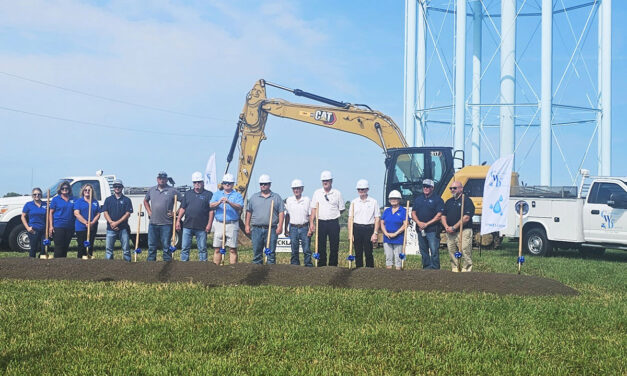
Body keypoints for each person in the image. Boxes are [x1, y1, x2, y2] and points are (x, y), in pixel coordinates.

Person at [245, 174, 284, 264]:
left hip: (271, 229)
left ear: (269, 185)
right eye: (261, 184)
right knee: (257, 253)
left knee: (271, 254)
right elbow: (249, 212)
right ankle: (257, 273)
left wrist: (280, 226)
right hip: (256, 229)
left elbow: (281, 212)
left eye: (265, 184)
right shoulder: (254, 197)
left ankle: (271, 274)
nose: (263, 186)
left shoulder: (276, 197)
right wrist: (247, 225)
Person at [310, 170, 345, 266]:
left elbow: (341, 209)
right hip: (321, 222)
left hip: (333, 222)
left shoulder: (337, 193)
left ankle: (333, 265)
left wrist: (333, 213)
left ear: (331, 181)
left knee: (334, 245)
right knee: (321, 245)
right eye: (323, 181)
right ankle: (322, 265)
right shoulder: (317, 193)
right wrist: (312, 223)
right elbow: (313, 209)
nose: (325, 182)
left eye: (327, 180)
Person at [177, 171, 213, 262]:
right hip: (187, 226)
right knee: (185, 248)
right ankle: (184, 265)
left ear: (202, 182)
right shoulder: (188, 194)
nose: (197, 184)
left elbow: (211, 211)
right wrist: (178, 220)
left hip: (201, 227)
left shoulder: (208, 194)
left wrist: (209, 224)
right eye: (195, 182)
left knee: (202, 249)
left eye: (199, 182)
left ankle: (203, 266)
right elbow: (182, 208)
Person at [209, 173, 244, 265]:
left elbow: (239, 207)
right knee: (217, 248)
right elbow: (211, 205)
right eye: (225, 183)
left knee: (232, 249)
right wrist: (219, 202)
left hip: (232, 223)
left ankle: (232, 269)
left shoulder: (237, 195)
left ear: (232, 184)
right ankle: (216, 268)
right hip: (219, 223)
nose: (227, 184)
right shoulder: (217, 194)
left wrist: (229, 202)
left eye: (229, 183)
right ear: (222, 184)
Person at [441, 180, 475, 272]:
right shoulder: (448, 202)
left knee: (464, 249)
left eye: (455, 188)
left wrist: (454, 227)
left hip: (463, 230)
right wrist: (446, 227)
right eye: (451, 188)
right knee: (452, 250)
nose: (452, 190)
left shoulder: (467, 201)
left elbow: (466, 217)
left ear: (461, 189)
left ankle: (466, 268)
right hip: (450, 231)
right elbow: (443, 215)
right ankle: (455, 267)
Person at [411, 178, 445, 269]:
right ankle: (426, 268)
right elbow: (413, 213)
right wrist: (419, 222)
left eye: (428, 187)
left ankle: (435, 268)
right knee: (423, 250)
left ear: (432, 188)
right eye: (424, 186)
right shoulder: (418, 199)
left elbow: (439, 215)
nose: (425, 188)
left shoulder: (438, 199)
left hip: (432, 230)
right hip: (420, 229)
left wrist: (427, 224)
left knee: (434, 250)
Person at [144, 171, 177, 261]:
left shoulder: (172, 190)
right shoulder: (152, 190)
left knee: (166, 245)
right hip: (153, 223)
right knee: (151, 245)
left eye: (164, 178)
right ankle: (151, 264)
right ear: (157, 179)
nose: (162, 180)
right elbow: (145, 201)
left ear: (166, 180)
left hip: (166, 223)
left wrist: (176, 213)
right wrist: (149, 211)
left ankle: (167, 263)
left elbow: (183, 202)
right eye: (160, 178)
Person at [348, 179, 380, 268]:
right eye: (359, 189)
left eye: (362, 189)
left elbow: (377, 218)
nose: (361, 191)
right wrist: (350, 234)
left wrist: (375, 233)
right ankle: (358, 271)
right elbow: (350, 219)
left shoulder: (373, 202)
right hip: (357, 228)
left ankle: (369, 272)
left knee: (368, 252)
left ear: (367, 189)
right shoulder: (354, 202)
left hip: (368, 228)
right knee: (358, 252)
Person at [102, 179, 133, 261]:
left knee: (126, 250)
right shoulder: (108, 200)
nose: (117, 188)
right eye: (115, 186)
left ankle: (128, 266)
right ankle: (109, 266)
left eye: (119, 186)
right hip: (110, 228)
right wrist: (111, 223)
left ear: (122, 187)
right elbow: (105, 212)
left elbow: (127, 214)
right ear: (113, 187)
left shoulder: (127, 200)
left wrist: (117, 223)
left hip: (123, 228)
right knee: (109, 251)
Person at [284, 179, 312, 266]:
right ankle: (295, 267)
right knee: (294, 250)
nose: (296, 190)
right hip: (293, 228)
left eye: (298, 188)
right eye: (294, 189)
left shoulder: (307, 200)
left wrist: (311, 228)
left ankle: (308, 266)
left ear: (302, 189)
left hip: (304, 227)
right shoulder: (289, 200)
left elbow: (310, 215)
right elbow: (287, 215)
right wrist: (286, 229)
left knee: (306, 249)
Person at [380, 190, 407, 270]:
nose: (393, 200)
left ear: (399, 200)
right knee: (388, 258)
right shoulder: (387, 211)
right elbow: (382, 223)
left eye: (395, 198)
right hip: (387, 238)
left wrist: (396, 233)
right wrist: (385, 233)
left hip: (398, 238)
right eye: (391, 199)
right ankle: (389, 275)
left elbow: (405, 224)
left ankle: (398, 275)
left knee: (398, 258)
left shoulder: (403, 211)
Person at [74, 184, 101, 259]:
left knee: (90, 245)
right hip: (81, 227)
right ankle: (80, 262)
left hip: (92, 226)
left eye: (89, 190)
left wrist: (92, 223)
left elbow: (98, 214)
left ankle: (89, 263)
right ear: (83, 191)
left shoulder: (95, 202)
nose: (87, 191)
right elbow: (76, 213)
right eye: (85, 190)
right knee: (81, 246)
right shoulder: (79, 201)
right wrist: (86, 223)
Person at [49, 181, 75, 258]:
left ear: (69, 189)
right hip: (58, 226)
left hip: (70, 226)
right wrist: (51, 226)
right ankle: (57, 265)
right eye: (62, 188)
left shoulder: (74, 199)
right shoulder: (56, 199)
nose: (64, 189)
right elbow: (51, 213)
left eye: (66, 188)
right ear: (60, 190)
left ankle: (64, 265)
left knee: (66, 247)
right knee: (59, 247)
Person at [21, 187, 47, 258]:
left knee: (43, 249)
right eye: (35, 194)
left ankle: (41, 265)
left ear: (41, 195)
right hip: (33, 230)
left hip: (43, 230)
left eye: (39, 194)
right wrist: (27, 228)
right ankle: (31, 265)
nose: (37, 196)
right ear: (32, 195)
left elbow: (49, 217)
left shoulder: (45, 205)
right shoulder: (28, 204)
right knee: (33, 248)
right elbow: (23, 216)